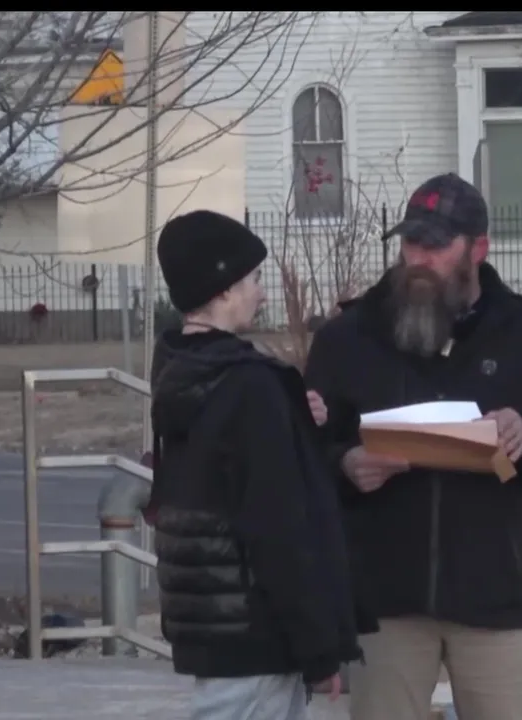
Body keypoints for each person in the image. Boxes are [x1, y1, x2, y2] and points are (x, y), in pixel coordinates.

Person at [304, 174, 522, 720]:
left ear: (477, 249)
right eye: (410, 243)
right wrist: (345, 464)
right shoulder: (349, 338)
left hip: (493, 597)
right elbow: (305, 452)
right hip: (384, 602)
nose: (417, 258)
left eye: (435, 246)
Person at [146, 209, 361, 720]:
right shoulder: (251, 384)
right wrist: (318, 646)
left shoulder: (178, 369)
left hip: (207, 617)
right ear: (223, 288)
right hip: (256, 627)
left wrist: (297, 423)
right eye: (254, 279)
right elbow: (277, 524)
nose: (262, 293)